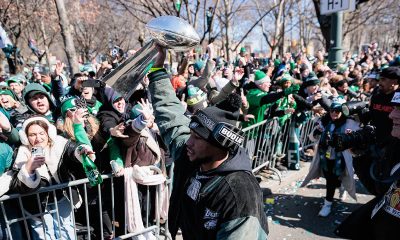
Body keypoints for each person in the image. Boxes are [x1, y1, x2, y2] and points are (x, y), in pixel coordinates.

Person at [147, 47, 268, 239]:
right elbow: (172, 116)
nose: (189, 142)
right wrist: (157, 70)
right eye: (191, 134)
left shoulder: (240, 194)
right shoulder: (192, 157)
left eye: (197, 138)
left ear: (219, 145)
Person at [9, 116, 93, 240]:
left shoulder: (59, 142)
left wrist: (83, 151)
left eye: (41, 133)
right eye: (32, 134)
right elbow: (18, 182)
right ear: (25, 137)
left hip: (63, 197)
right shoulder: (22, 152)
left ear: (49, 132)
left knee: (66, 228)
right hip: (36, 202)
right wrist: (28, 168)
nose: (38, 138)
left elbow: (73, 150)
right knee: (44, 232)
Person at [301, 101, 360, 217]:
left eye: (337, 111)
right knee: (330, 179)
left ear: (342, 112)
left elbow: (359, 133)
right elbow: (312, 137)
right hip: (326, 156)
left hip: (341, 157)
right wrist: (317, 131)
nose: (334, 113)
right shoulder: (325, 121)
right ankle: (327, 204)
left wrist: (350, 136)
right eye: (332, 110)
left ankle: (341, 188)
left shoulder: (349, 123)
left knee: (337, 178)